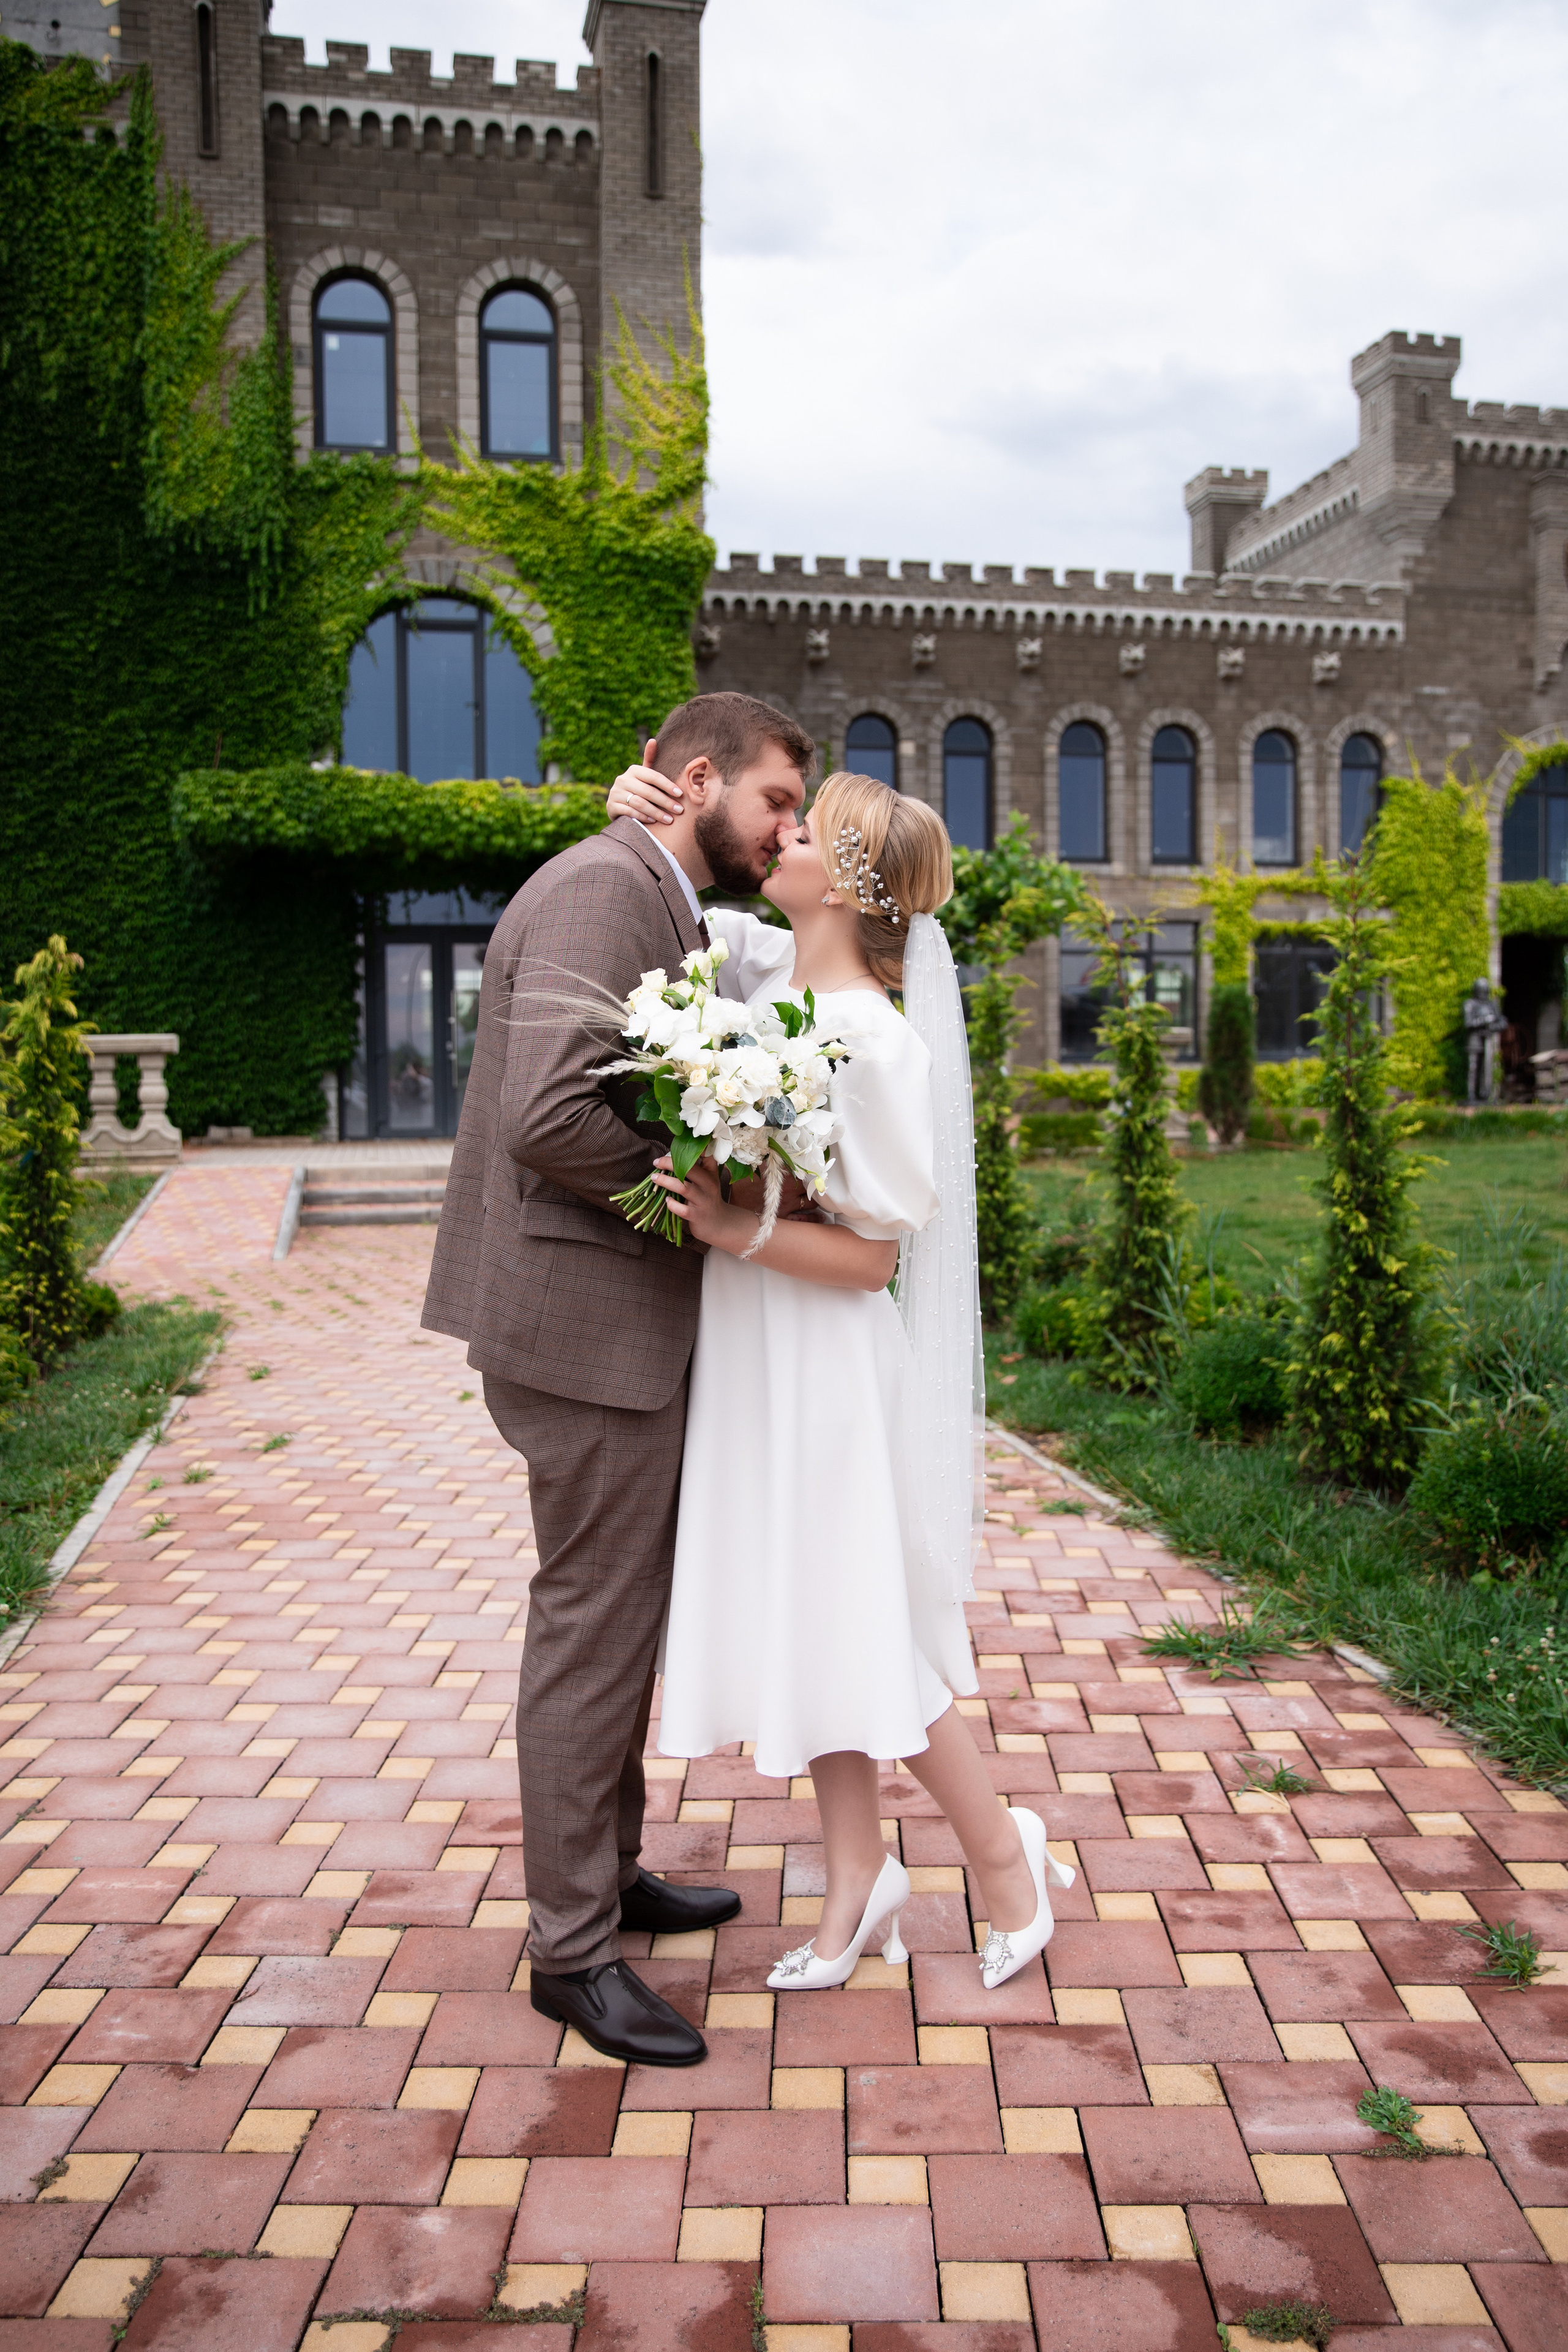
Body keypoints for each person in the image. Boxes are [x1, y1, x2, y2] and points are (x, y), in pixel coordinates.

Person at [603, 758, 1074, 1991]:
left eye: (803, 831)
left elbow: (871, 1259)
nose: (782, 837)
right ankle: (857, 1878)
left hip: (822, 1363)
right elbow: (677, 914)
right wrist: (633, 810)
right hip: (757, 1353)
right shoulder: (770, 972)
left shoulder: (874, 1043)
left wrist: (731, 1229)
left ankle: (1002, 1854)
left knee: (865, 1636)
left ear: (843, 885)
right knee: (818, 1626)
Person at [422, 691, 813, 2067]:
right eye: (776, 801)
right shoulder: (607, 889)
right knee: (590, 1633)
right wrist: (690, 1196)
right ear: (697, 778)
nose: (788, 828)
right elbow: (547, 1119)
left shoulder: (648, 884)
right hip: (585, 1339)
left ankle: (608, 1875)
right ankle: (570, 1954)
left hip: (597, 1333)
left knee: (615, 1627)